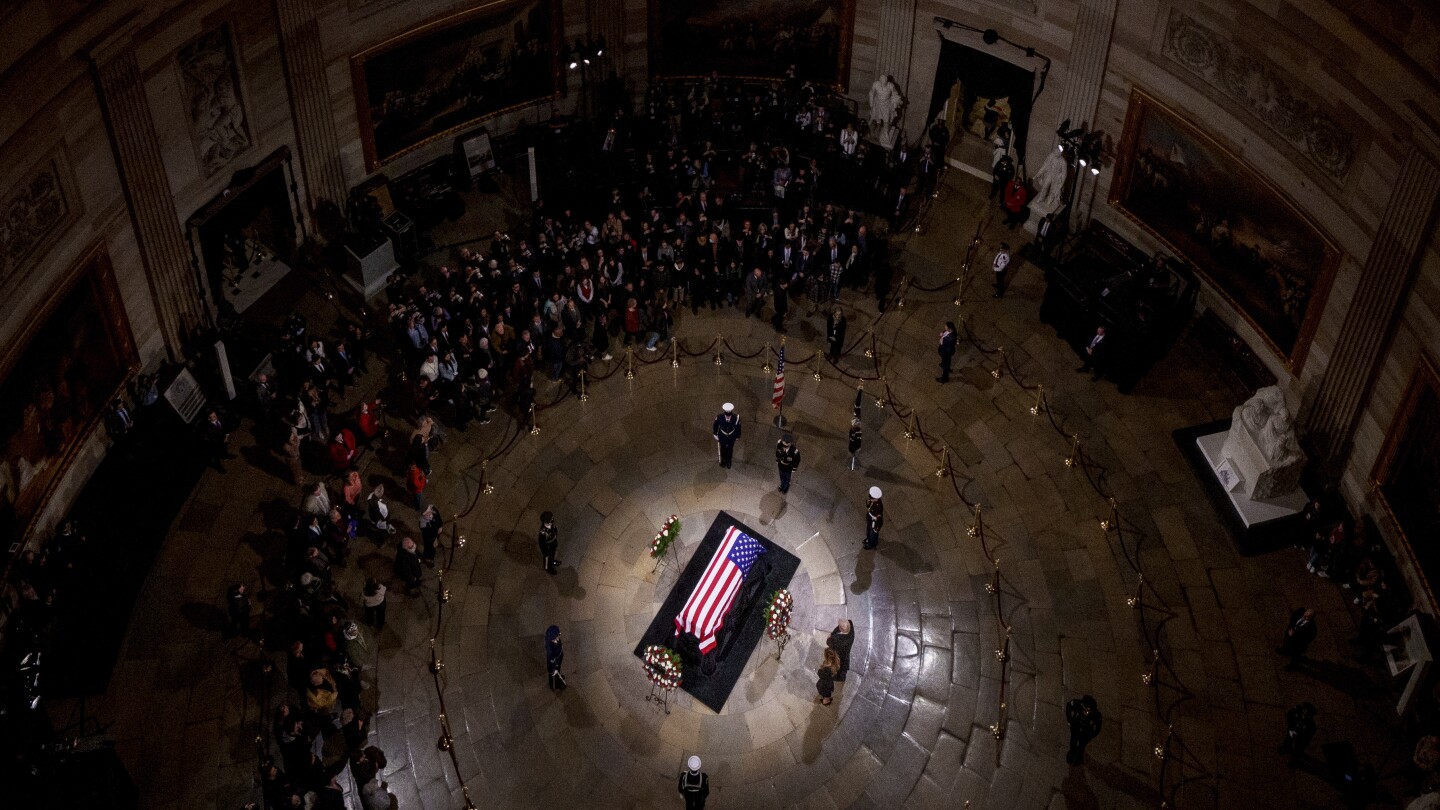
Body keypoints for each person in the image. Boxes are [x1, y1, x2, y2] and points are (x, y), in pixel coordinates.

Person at [1065, 695, 1102, 764]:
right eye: (1085, 710)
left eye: (1088, 712)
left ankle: (1078, 757)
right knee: (1073, 741)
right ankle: (1071, 754)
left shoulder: (1096, 714)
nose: (1086, 713)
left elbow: (1098, 727)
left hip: (1086, 732)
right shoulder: (1077, 704)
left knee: (1082, 745)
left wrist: (1092, 735)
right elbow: (1069, 706)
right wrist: (1069, 719)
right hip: (1075, 726)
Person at [713, 402, 741, 469]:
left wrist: (738, 435)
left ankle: (728, 461)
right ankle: (723, 460)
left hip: (731, 436)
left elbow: (738, 427)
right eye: (727, 416)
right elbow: (715, 425)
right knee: (723, 448)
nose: (728, 417)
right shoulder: (719, 417)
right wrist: (715, 433)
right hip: (722, 435)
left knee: (730, 449)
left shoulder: (736, 418)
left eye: (729, 416)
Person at [539, 511, 560, 575]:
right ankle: (548, 569)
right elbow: (541, 544)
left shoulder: (552, 524)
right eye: (551, 519)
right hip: (548, 548)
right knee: (547, 558)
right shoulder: (543, 532)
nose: (553, 519)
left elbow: (555, 531)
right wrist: (545, 553)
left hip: (553, 544)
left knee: (552, 556)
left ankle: (552, 562)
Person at [545, 625, 567, 690]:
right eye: (555, 639)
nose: (557, 639)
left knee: (558, 670)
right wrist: (552, 671)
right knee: (554, 675)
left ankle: (557, 678)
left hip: (558, 660)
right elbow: (550, 662)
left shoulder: (555, 639)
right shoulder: (550, 651)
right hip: (555, 663)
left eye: (558, 636)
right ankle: (554, 685)